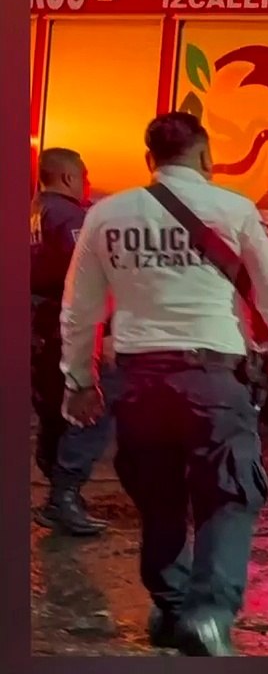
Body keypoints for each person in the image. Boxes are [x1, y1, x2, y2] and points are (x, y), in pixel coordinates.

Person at [60, 112, 268, 656]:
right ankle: (208, 614)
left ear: (149, 160)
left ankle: (172, 607)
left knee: (159, 496)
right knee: (229, 494)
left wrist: (78, 380)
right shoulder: (233, 209)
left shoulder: (106, 214)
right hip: (212, 378)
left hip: (138, 379)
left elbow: (79, 310)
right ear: (206, 158)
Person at [29, 148, 117, 536]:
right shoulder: (71, 219)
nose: (88, 185)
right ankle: (63, 497)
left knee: (52, 409)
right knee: (90, 403)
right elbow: (90, 276)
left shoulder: (33, 211)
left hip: (36, 325)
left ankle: (60, 494)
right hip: (61, 325)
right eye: (85, 176)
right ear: (68, 178)